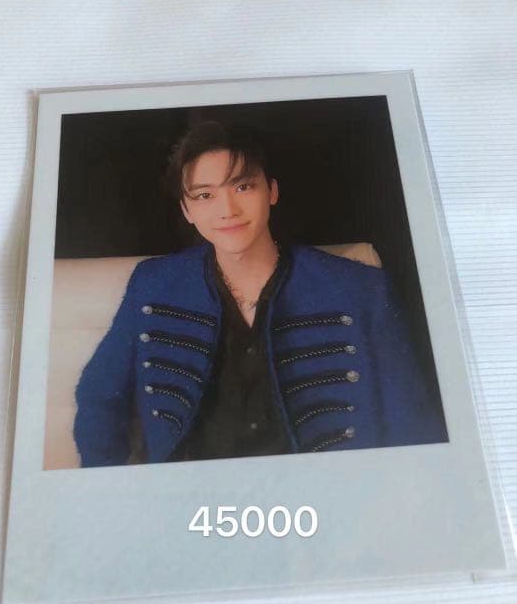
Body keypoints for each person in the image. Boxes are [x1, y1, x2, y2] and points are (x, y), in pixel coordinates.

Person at [74, 121, 447, 467]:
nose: (227, 210)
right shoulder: (154, 283)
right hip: (192, 498)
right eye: (204, 195)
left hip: (322, 496)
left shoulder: (360, 288)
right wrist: (110, 493)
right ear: (187, 210)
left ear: (272, 191)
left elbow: (412, 421)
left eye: (242, 187)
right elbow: (98, 397)